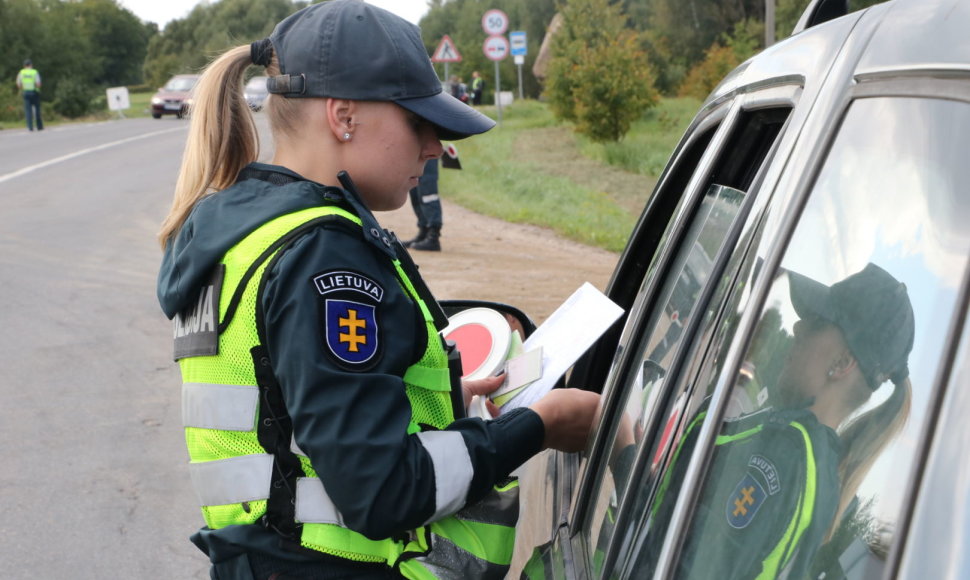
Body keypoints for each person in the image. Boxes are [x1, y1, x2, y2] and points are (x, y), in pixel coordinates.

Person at [154, 2, 600, 578]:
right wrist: (538, 426)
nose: (435, 147)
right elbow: (381, 491)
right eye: (419, 122)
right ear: (343, 116)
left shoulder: (239, 235)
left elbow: (279, 410)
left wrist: (439, 397)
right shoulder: (323, 255)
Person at [640, 263, 914, 579]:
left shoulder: (781, 453)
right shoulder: (813, 464)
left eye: (815, 322)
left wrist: (622, 454)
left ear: (841, 363)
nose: (797, 328)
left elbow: (686, 567)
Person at [402, 158, 443, 251]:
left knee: (427, 192)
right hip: (413, 149)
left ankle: (433, 237)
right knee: (415, 191)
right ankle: (424, 232)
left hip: (428, 148)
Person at [16, 59, 43, 132]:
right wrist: (37, 87)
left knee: (28, 110)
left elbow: (18, 84)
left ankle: (30, 126)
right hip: (34, 92)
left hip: (26, 92)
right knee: (37, 109)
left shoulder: (21, 72)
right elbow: (38, 83)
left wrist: (23, 88)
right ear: (31, 65)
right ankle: (39, 126)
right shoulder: (34, 72)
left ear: (24, 65)